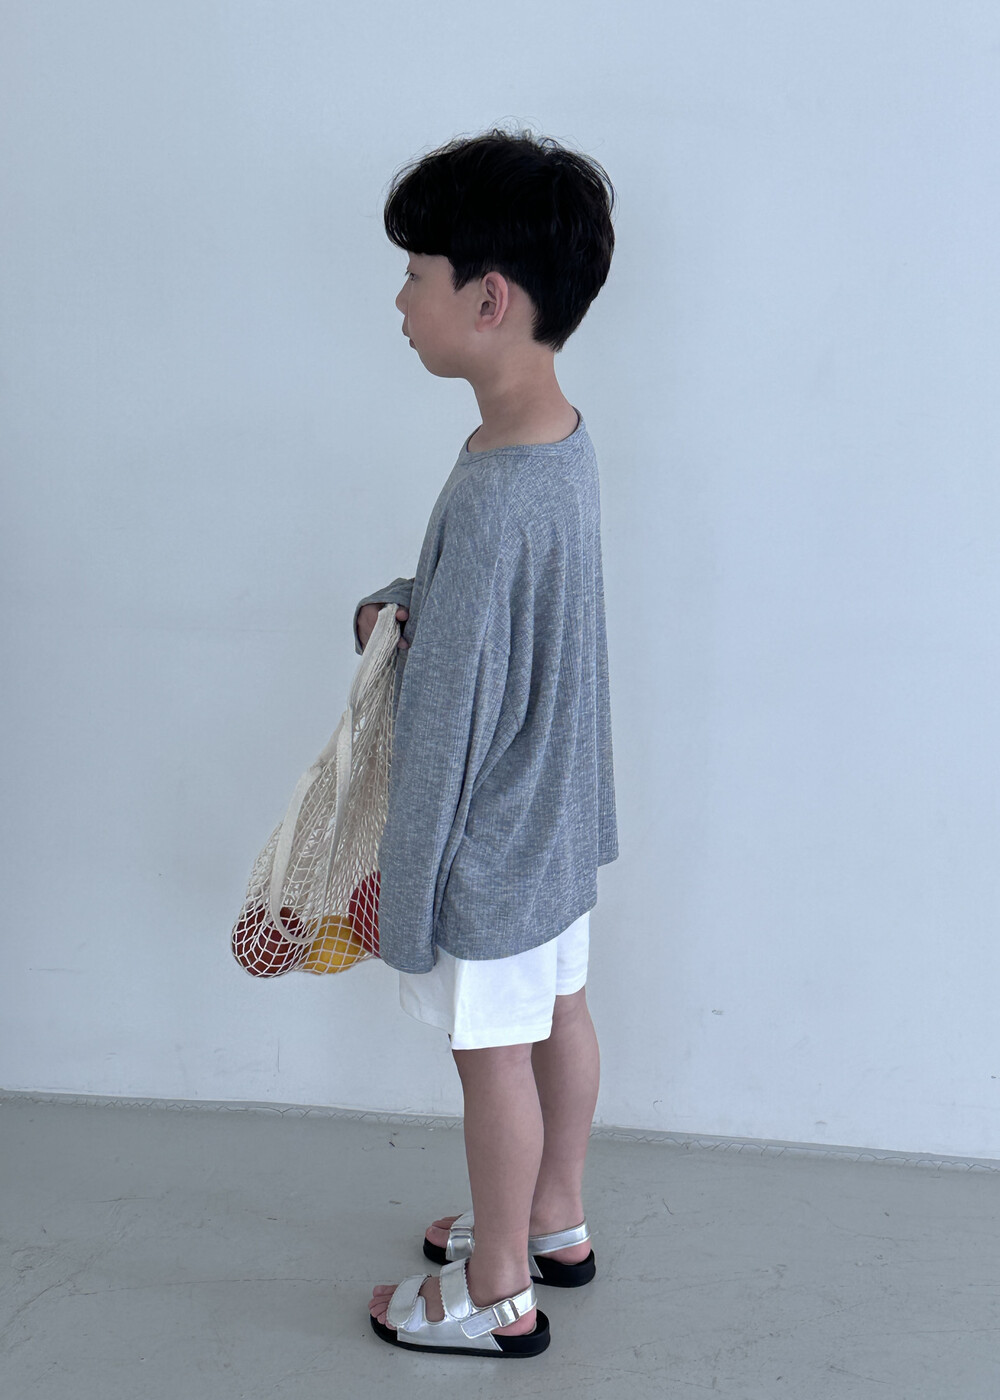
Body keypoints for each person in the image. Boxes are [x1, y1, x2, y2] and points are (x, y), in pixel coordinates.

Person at [357, 126, 620, 1358]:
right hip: (554, 816)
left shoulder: (489, 488)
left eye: (416, 273)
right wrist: (418, 599)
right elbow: (511, 624)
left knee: (490, 1058)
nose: (400, 301)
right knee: (560, 1012)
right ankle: (553, 1215)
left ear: (488, 297)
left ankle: (497, 1286)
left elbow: (447, 717)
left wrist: (408, 892)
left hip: (492, 841)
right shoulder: (555, 438)